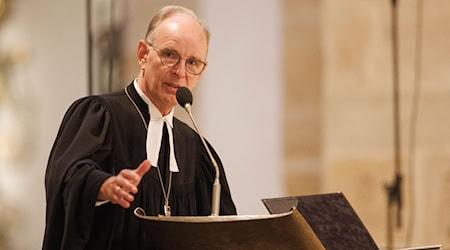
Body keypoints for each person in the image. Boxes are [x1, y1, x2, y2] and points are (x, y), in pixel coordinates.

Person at [43, 5, 236, 250]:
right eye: (170, 55)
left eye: (192, 62)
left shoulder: (196, 150)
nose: (180, 72)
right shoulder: (101, 115)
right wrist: (103, 187)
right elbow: (68, 177)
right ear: (143, 54)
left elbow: (227, 233)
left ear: (202, 71)